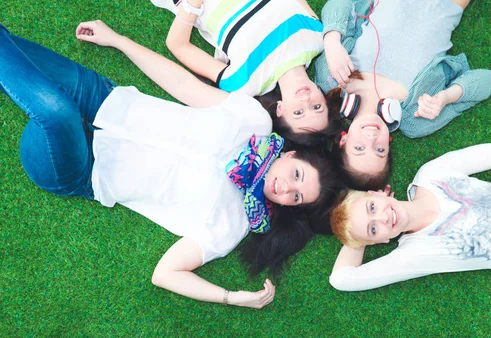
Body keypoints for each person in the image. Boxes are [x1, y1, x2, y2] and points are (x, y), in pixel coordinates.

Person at [0, 20, 341, 308]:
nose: (286, 188)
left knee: (57, 112)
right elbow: (182, 86)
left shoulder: (232, 224)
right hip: (103, 99)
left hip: (79, 167)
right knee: (11, 47)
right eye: (297, 176)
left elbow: (164, 274)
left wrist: (231, 297)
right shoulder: (254, 121)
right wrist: (119, 41)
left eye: (295, 197)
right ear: (291, 155)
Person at [328, 142, 491, 295]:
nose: (384, 218)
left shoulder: (431, 175)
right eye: (374, 229)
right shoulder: (413, 255)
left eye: (373, 207)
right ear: (381, 240)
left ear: (379, 193)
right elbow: (342, 279)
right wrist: (356, 236)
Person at [315, 0, 491, 190]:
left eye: (359, 148)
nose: (371, 137)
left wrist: (332, 42)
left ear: (343, 140)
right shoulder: (415, 119)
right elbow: (487, 80)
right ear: (388, 144)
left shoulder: (333, 82)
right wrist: (446, 97)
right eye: (379, 150)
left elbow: (339, 3)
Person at [150, 0, 340, 146]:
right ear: (322, 96)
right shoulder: (317, 37)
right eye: (317, 107)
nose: (306, 101)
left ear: (280, 110)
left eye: (299, 112)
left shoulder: (244, 83)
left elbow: (178, 45)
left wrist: (193, 3)